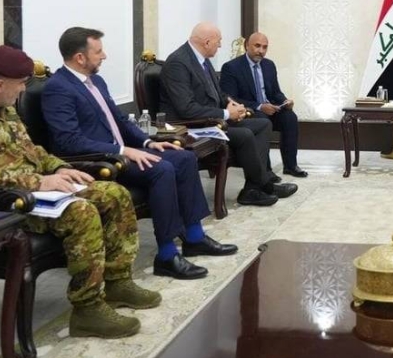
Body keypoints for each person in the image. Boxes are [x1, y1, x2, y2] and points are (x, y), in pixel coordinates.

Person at [0, 46, 161, 339]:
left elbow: (32, 150)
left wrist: (58, 168)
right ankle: (87, 309)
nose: (24, 89)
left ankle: (118, 283)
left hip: (34, 194)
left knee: (114, 194)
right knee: (80, 212)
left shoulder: (4, 110)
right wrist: (36, 181)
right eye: (21, 83)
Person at [42, 27, 238, 281]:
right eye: (98, 51)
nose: (105, 56)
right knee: (162, 169)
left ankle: (194, 237)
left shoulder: (96, 82)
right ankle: (166, 255)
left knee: (184, 157)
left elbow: (121, 120)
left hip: (123, 152)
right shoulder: (58, 88)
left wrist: (147, 142)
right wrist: (123, 150)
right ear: (80, 58)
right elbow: (69, 141)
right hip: (99, 161)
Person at [160, 23, 297, 206]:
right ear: (207, 42)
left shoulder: (202, 60)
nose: (220, 45)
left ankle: (252, 188)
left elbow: (219, 93)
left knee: (263, 124)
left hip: (211, 120)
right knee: (245, 134)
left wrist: (233, 105)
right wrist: (226, 113)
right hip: (190, 126)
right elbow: (186, 109)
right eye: (218, 41)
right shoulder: (178, 63)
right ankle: (265, 185)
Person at [219, 32, 307, 178]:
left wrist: (285, 102)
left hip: (270, 109)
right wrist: (259, 106)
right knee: (262, 120)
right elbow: (230, 98)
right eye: (257, 46)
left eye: (265, 47)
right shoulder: (232, 67)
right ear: (247, 46)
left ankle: (291, 166)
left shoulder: (269, 65)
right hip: (249, 112)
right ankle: (266, 171)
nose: (261, 51)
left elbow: (276, 93)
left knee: (290, 117)